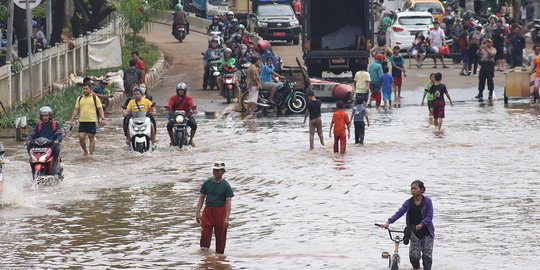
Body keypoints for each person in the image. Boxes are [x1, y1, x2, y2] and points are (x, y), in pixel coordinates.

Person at [382, 180, 435, 270]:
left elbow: (429, 216)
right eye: (411, 188)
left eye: (415, 188)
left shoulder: (427, 201)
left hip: (427, 232)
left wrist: (421, 224)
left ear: (421, 190)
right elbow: (399, 213)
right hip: (414, 232)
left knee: (427, 257)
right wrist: (388, 222)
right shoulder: (408, 202)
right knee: (414, 257)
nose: (413, 190)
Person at [196, 162, 234, 255]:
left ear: (223, 172)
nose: (215, 172)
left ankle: (219, 257)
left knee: (220, 235)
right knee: (205, 234)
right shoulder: (207, 183)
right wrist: (197, 212)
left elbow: (228, 202)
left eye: (217, 170)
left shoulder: (226, 185)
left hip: (221, 211)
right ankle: (205, 256)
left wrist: (226, 218)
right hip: (208, 211)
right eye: (214, 170)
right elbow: (201, 197)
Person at [69, 83, 106, 156]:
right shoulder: (79, 98)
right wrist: (71, 120)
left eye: (86, 89)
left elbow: (100, 108)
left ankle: (90, 154)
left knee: (91, 137)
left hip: (92, 121)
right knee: (81, 137)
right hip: (82, 121)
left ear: (90, 89)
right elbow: (76, 109)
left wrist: (102, 118)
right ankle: (85, 151)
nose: (85, 90)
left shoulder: (95, 98)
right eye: (84, 89)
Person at [26, 106, 63, 173]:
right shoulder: (39, 125)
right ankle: (33, 162)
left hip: (51, 145)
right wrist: (28, 139)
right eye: (43, 116)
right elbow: (33, 134)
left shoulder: (55, 124)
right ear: (41, 117)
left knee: (57, 148)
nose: (45, 117)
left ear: (50, 116)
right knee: (29, 147)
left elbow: (59, 134)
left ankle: (54, 165)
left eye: (46, 116)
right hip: (40, 145)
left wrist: (57, 140)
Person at [166, 82, 198, 147]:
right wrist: (168, 110)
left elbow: (192, 105)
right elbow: (170, 105)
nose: (180, 92)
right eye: (179, 90)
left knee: (194, 124)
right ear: (177, 91)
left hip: (186, 116)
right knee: (169, 125)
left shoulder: (188, 98)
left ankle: (191, 140)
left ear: (185, 91)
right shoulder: (173, 98)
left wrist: (194, 110)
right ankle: (172, 140)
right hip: (176, 117)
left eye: (182, 90)